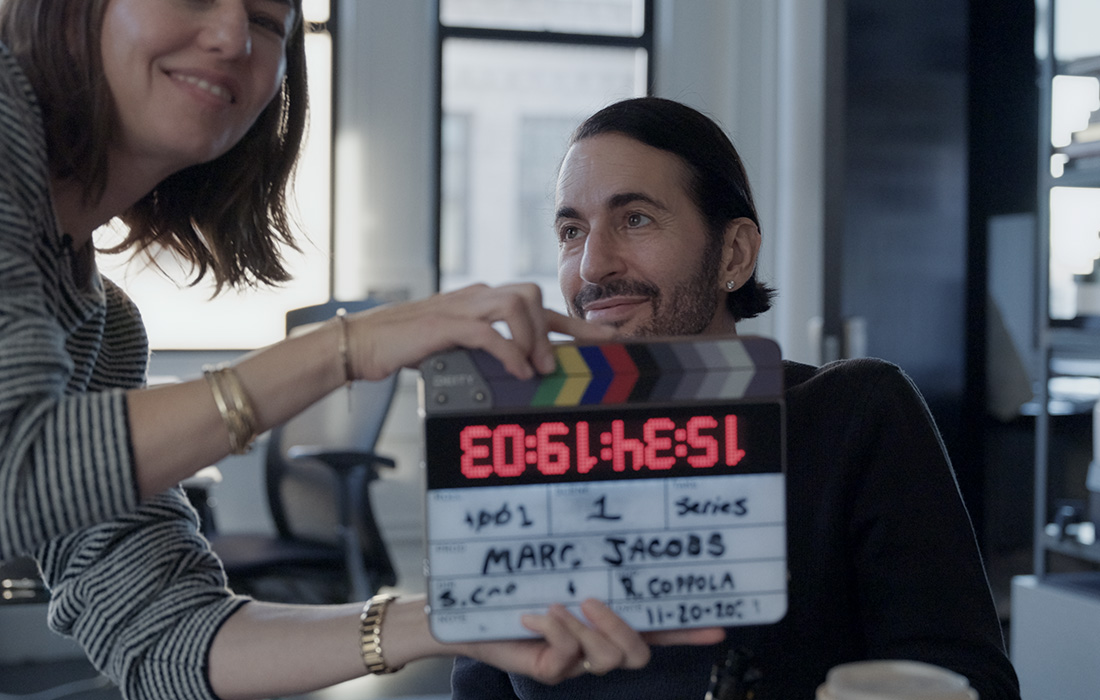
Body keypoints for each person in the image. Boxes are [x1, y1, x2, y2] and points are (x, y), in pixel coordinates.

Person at [0, 4, 725, 699]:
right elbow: (14, 467)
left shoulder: (105, 331)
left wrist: (444, 621)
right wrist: (349, 346)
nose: (232, 37)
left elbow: (161, 641)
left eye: (266, 20)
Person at [449, 96, 1023, 700]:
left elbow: (969, 681)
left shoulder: (856, 413)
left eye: (635, 218)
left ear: (734, 254)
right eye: (572, 231)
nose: (593, 264)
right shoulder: (510, 446)